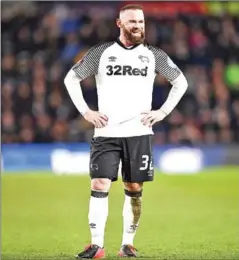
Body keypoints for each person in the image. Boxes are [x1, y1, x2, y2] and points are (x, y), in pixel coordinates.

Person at [64, 4, 188, 259]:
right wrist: (86, 112)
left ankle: (127, 244)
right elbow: (71, 78)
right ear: (119, 24)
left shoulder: (154, 55)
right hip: (106, 132)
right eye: (132, 22)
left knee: (133, 188)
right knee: (99, 183)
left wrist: (161, 113)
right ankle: (96, 245)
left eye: (141, 22)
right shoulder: (102, 53)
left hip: (139, 133)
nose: (138, 26)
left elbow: (181, 82)